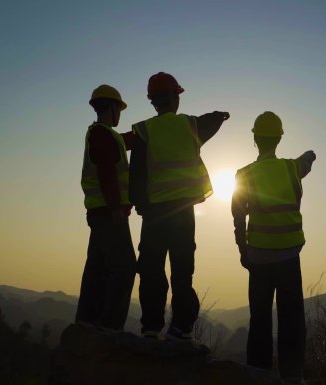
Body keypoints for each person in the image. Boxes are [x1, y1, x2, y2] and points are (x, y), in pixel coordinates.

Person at [130, 72, 229, 340]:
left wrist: (139, 206)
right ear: (174, 97)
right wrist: (221, 115)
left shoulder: (143, 131)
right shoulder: (190, 126)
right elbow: (210, 121)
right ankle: (181, 328)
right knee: (182, 271)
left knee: (151, 269)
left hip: (153, 214)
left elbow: (136, 174)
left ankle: (151, 326)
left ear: (153, 102)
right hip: (183, 213)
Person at [231, 111, 316, 384]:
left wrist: (243, 250)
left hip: (258, 258)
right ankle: (292, 377)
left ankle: (258, 375)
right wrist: (311, 155)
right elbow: (307, 161)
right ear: (279, 139)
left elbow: (237, 215)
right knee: (292, 319)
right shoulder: (292, 168)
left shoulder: (243, 174)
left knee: (260, 321)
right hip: (289, 257)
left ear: (255, 139)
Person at [76, 84, 137, 330]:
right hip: (109, 214)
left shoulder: (103, 134)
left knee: (97, 270)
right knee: (124, 268)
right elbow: (107, 173)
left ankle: (86, 325)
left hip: (100, 213)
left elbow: (124, 143)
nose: (120, 113)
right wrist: (115, 209)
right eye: (118, 108)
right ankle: (110, 330)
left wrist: (145, 132)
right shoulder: (102, 135)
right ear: (111, 107)